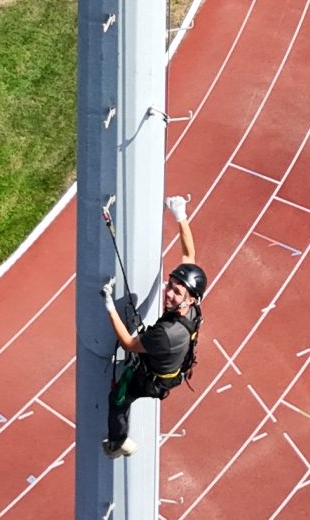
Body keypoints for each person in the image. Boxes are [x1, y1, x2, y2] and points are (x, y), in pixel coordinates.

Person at [98, 194, 208, 457]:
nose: (169, 293)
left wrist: (110, 306)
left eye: (176, 291)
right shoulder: (190, 305)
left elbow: (128, 344)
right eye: (171, 285)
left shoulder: (168, 334)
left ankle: (118, 443)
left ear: (189, 298)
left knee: (119, 397)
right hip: (170, 361)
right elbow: (188, 253)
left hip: (153, 380)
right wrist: (180, 215)